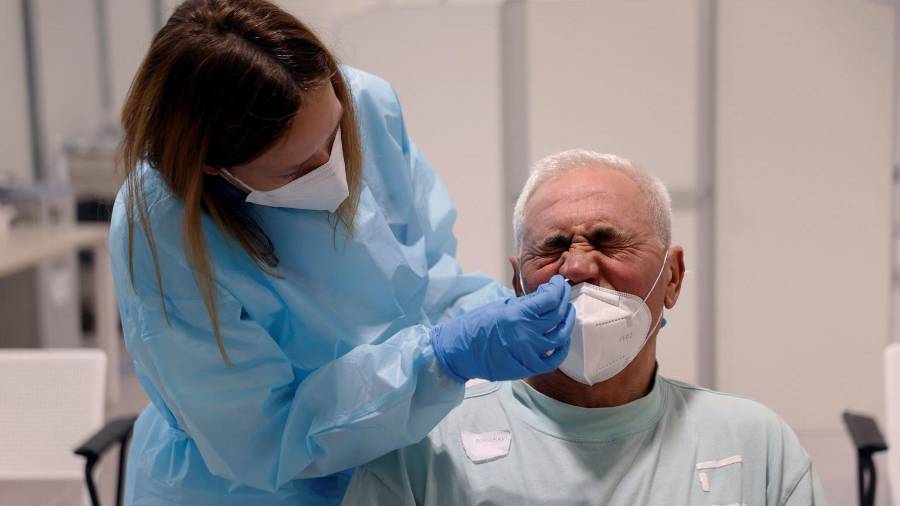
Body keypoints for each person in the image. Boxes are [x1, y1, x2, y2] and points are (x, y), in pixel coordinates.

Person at [109, 1, 574, 504]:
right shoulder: (159, 231)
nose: (333, 169)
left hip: (397, 455)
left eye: (336, 140)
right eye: (295, 170)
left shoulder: (364, 104)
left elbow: (428, 281)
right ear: (213, 167)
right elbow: (265, 438)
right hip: (247, 486)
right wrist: (438, 360)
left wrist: (506, 317)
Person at [342, 150, 826, 506]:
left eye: (608, 242)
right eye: (552, 248)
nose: (576, 267)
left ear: (672, 277)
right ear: (517, 283)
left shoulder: (752, 446)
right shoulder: (429, 445)